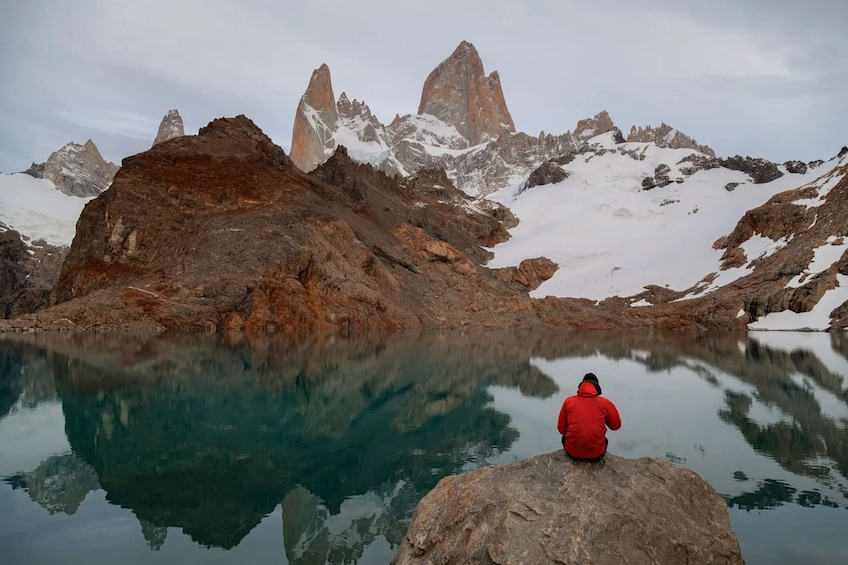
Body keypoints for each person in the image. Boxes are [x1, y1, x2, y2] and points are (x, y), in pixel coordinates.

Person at [557, 372, 621, 462]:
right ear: (596, 387)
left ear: (582, 385)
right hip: (596, 455)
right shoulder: (605, 403)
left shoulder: (569, 401)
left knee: (564, 438)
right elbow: (616, 426)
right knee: (604, 440)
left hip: (573, 453)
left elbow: (561, 429)